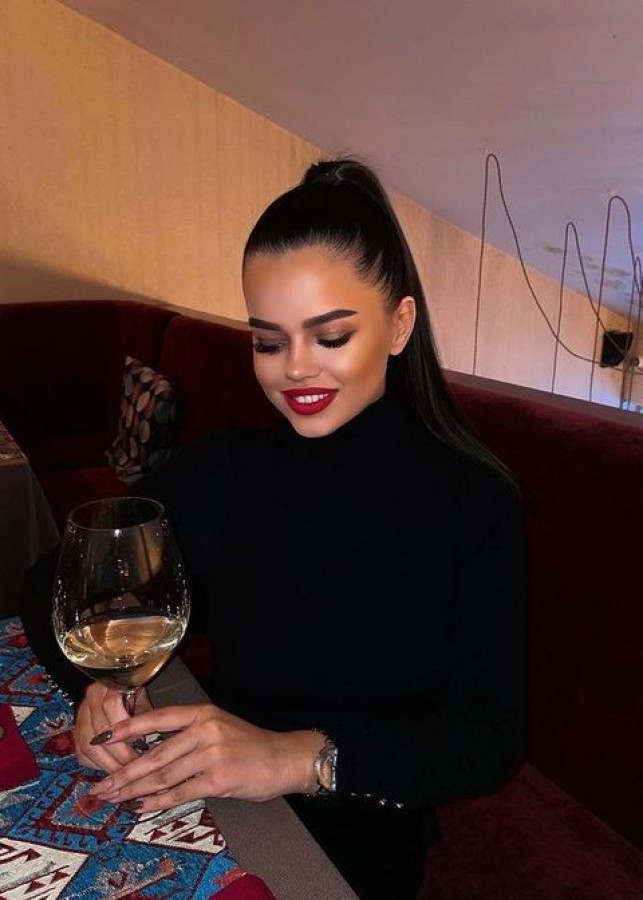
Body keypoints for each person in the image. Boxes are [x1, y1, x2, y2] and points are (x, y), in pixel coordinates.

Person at [20, 158, 527, 900]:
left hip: (360, 824)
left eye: (330, 336)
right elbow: (52, 583)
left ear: (399, 325)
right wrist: (95, 683)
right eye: (268, 341)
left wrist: (295, 758)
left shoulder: (473, 501)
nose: (295, 369)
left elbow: (486, 739)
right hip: (207, 801)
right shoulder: (227, 470)